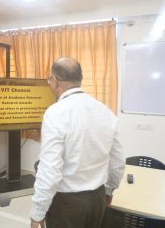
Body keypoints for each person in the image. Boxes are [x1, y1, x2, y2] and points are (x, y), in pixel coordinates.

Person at [30, 57, 125, 228]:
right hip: (97, 197)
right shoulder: (105, 111)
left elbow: (50, 170)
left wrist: (38, 212)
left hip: (67, 203)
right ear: (79, 79)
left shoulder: (56, 113)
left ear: (54, 81)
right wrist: (110, 190)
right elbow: (118, 162)